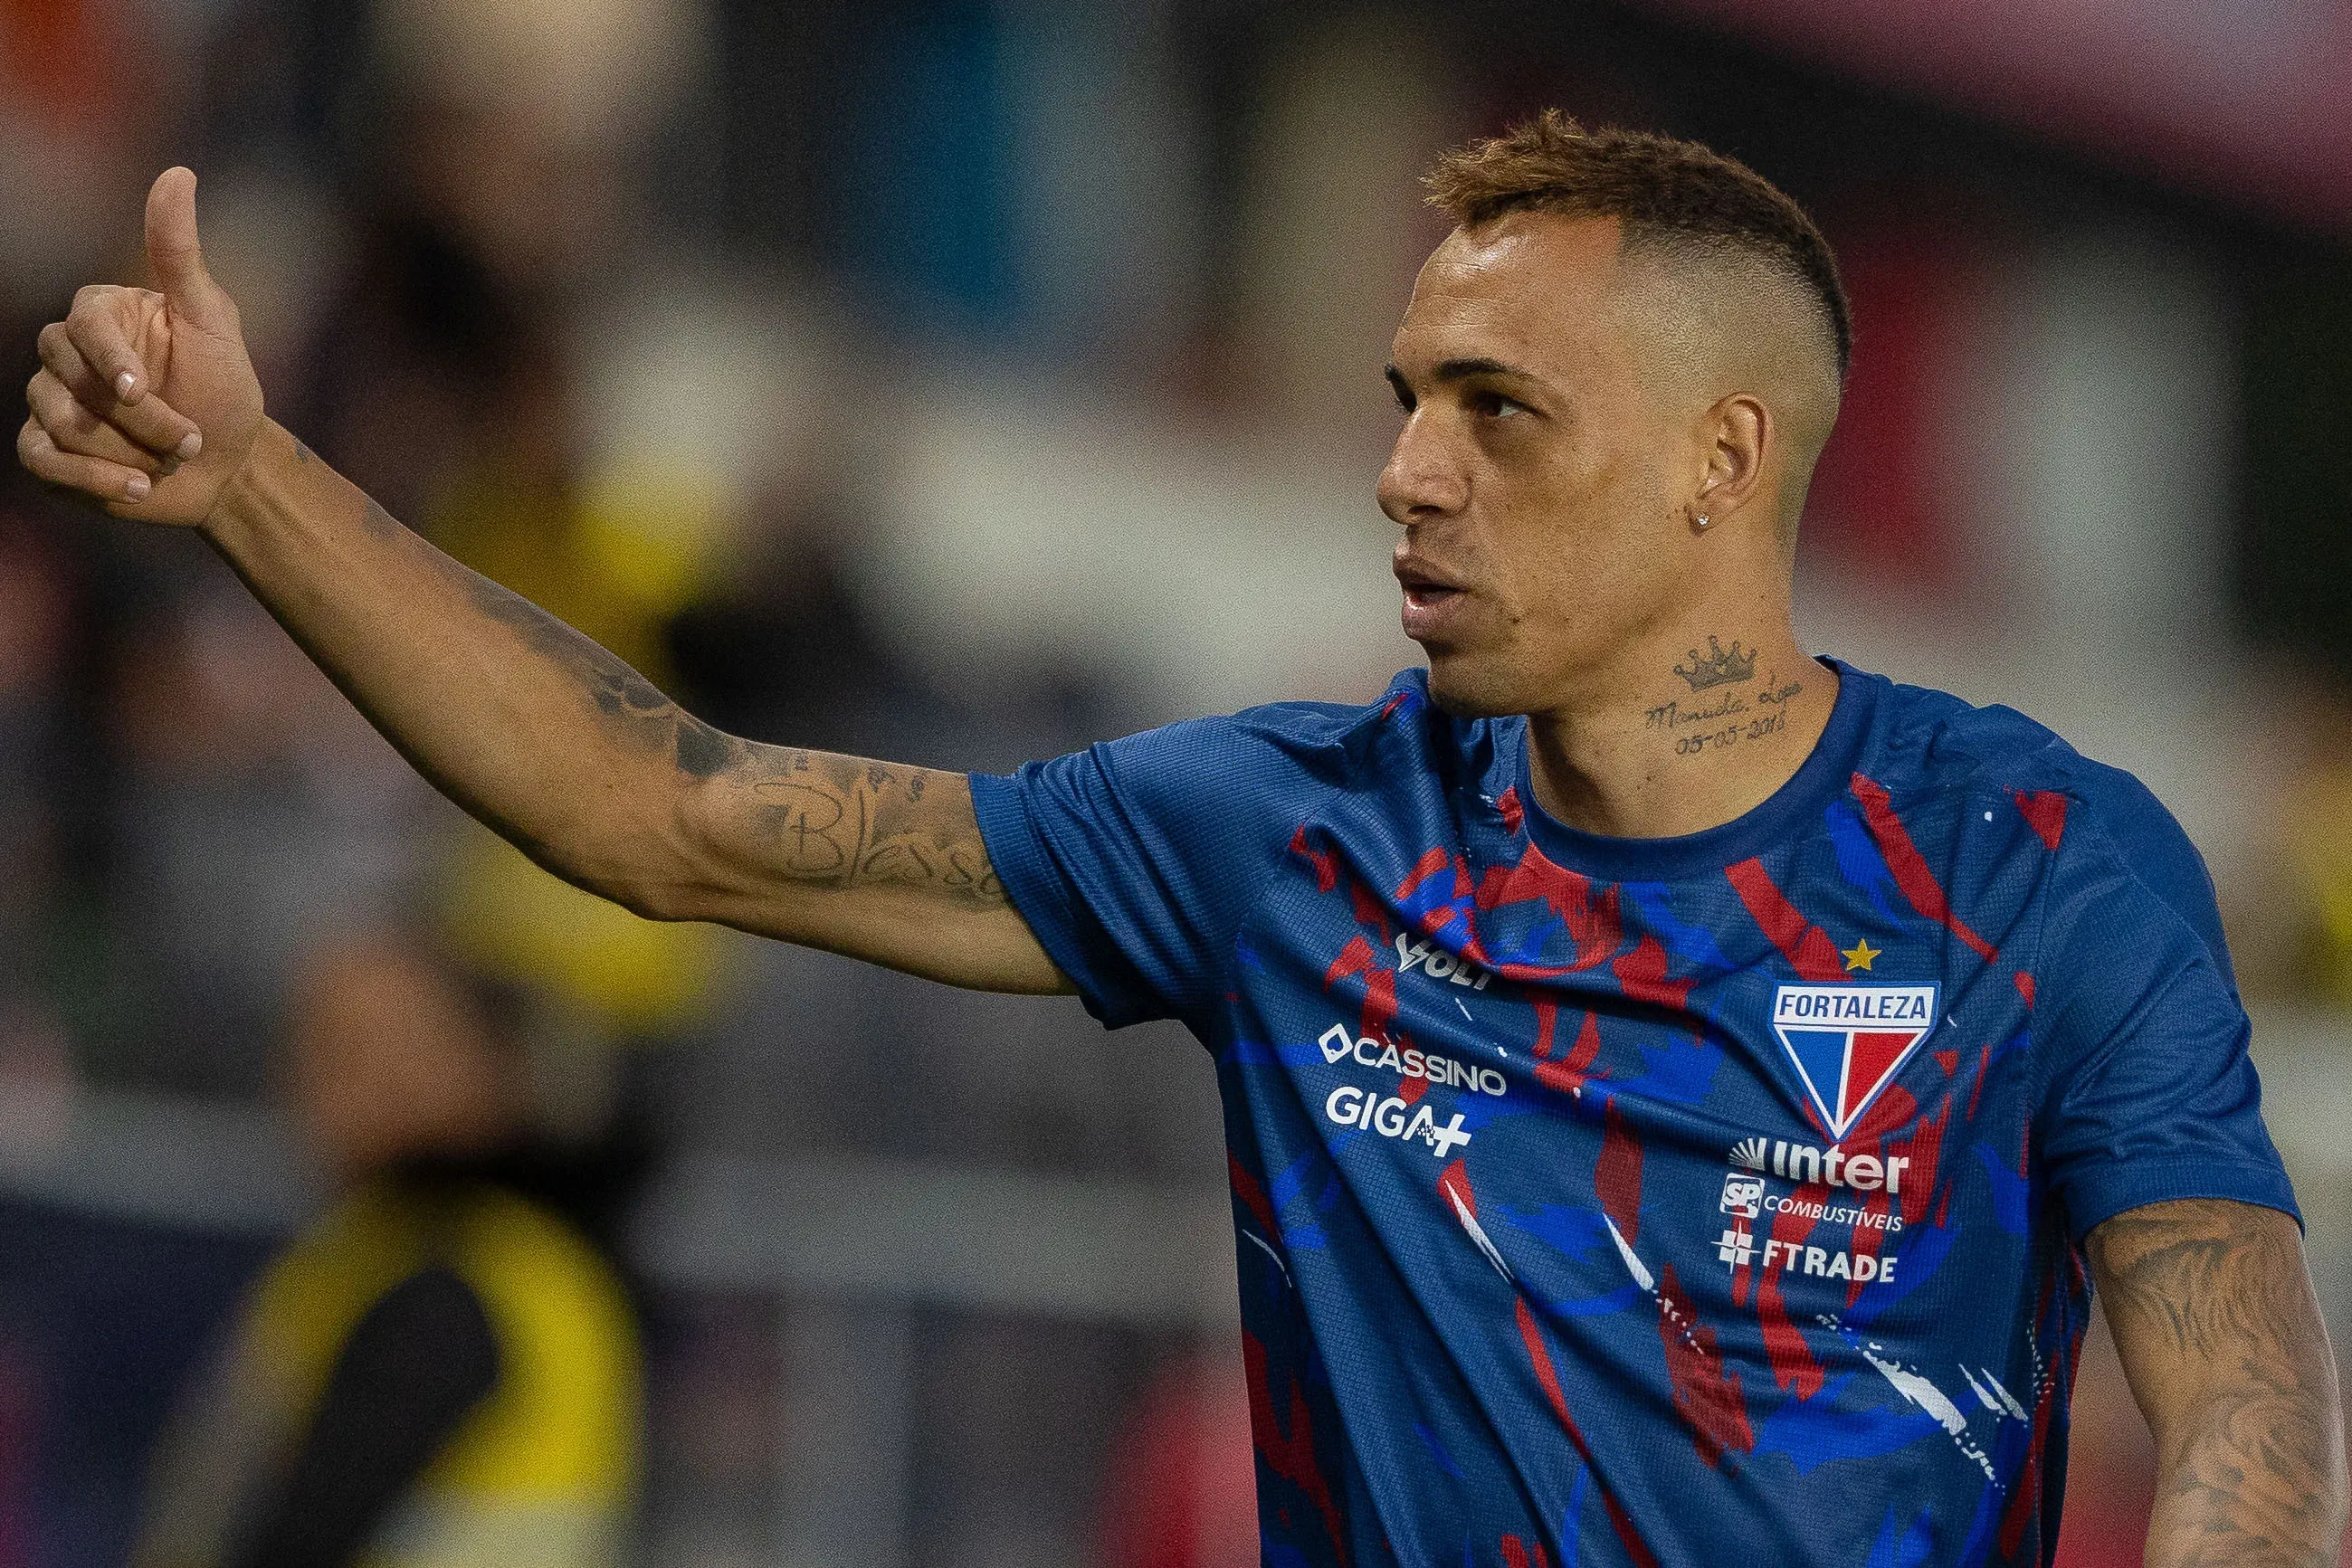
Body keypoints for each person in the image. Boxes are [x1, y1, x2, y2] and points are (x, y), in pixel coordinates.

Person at [20, 111, 2345, 1564]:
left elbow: (2242, 1407)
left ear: (1722, 462)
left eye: (1493, 411)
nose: (1403, 472)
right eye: (1400, 400)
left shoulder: (2038, 864)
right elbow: (666, 812)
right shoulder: (1282, 836)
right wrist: (250, 483)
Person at [131, 934, 642, 1568]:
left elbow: (295, 1535)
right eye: (316, 1045)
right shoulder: (369, 1251)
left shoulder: (462, 1284)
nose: (329, 1082)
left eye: (371, 1048)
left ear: (486, 1065)